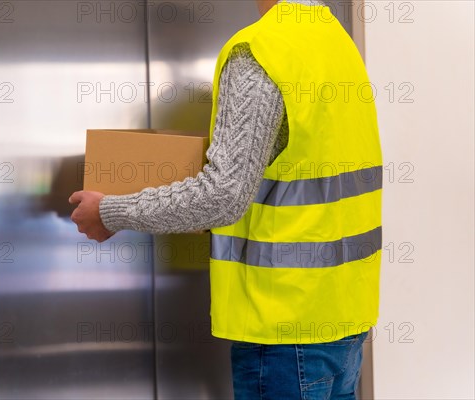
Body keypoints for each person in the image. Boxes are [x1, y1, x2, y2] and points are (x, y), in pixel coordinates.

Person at [69, 0, 383, 398]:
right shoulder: (335, 39)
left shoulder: (262, 49)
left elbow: (223, 196)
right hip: (344, 315)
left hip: (284, 325)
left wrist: (109, 211)